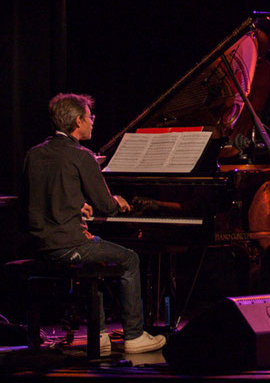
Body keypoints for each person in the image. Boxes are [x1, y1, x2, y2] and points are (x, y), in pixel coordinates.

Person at [24, 93, 167, 355]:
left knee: (99, 262)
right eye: (90, 117)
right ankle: (134, 336)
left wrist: (75, 205)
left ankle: (99, 335)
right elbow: (105, 204)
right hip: (69, 244)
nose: (93, 121)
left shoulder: (34, 154)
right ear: (78, 121)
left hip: (40, 245)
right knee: (130, 259)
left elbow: (40, 197)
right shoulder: (81, 155)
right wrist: (118, 201)